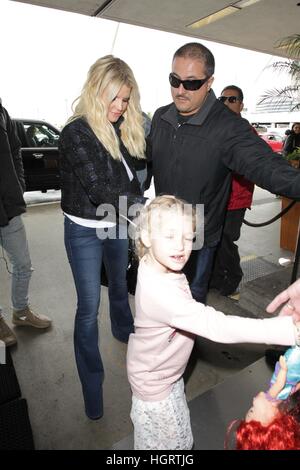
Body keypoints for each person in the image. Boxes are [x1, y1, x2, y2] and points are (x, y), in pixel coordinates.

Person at [126, 195, 300, 450]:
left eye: (188, 237)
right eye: (170, 235)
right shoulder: (159, 292)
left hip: (166, 373)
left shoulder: (158, 264)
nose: (181, 246)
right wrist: (284, 330)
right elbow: (216, 325)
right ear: (147, 238)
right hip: (154, 383)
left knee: (177, 436)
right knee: (168, 446)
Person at [146, 42, 300, 304]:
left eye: (192, 83)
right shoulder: (161, 117)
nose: (181, 90)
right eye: (175, 80)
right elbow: (142, 163)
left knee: (192, 306)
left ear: (209, 82)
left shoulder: (228, 127)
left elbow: (267, 166)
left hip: (201, 238)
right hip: (165, 234)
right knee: (162, 302)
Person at [59, 55, 146, 420]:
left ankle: (123, 330)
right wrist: (149, 213)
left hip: (114, 222)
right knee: (87, 309)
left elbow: (131, 178)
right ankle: (92, 390)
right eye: (113, 98)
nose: (119, 107)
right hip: (82, 228)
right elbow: (99, 188)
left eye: (125, 99)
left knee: (120, 283)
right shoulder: (76, 132)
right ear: (95, 92)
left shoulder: (120, 125)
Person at [0, 100, 52, 347]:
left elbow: (14, 150)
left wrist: (18, 185)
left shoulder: (1, 112)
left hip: (8, 205)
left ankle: (20, 312)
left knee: (23, 263)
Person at [210, 85, 255, 299]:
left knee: (227, 239)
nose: (226, 102)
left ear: (241, 104)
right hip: (218, 198)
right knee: (215, 240)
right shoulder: (217, 128)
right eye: (223, 98)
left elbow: (252, 165)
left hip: (237, 198)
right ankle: (218, 279)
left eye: (232, 99)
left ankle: (234, 278)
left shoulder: (246, 131)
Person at [231, 346, 300, 450]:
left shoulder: (278, 402)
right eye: (252, 410)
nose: (253, 401)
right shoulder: (271, 397)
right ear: (267, 417)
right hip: (290, 367)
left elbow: (291, 390)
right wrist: (284, 369)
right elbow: (280, 383)